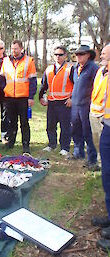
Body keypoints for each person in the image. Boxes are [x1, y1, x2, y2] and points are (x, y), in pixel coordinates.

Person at [0, 39, 37, 153]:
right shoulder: (6, 61)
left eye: (16, 49)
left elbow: (33, 80)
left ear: (21, 49)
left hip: (23, 97)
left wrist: (31, 97)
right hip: (9, 97)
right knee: (11, 121)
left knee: (24, 122)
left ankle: (25, 144)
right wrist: (4, 90)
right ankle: (11, 142)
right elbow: (2, 77)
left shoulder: (28, 61)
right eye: (12, 49)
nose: (14, 51)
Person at [39, 46, 73, 156]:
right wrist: (41, 96)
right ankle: (51, 144)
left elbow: (77, 86)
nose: (58, 57)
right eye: (56, 55)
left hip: (64, 102)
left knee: (65, 126)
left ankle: (64, 147)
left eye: (60, 55)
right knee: (50, 125)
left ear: (65, 56)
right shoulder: (49, 69)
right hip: (52, 102)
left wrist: (72, 99)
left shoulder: (70, 68)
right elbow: (44, 85)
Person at [91, 60, 110, 252]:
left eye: (105, 54)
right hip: (108, 125)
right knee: (107, 174)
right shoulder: (104, 72)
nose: (101, 56)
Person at [70, 45, 99, 169]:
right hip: (75, 104)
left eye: (81, 54)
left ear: (88, 55)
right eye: (77, 54)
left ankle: (92, 159)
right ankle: (78, 152)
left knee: (88, 132)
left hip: (87, 105)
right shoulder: (75, 67)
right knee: (75, 130)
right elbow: (73, 83)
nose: (78, 56)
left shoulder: (94, 68)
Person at [89, 45, 110, 164]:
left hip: (105, 115)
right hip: (94, 112)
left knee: (105, 142)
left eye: (103, 53)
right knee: (96, 139)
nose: (101, 56)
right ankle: (100, 162)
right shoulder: (100, 70)